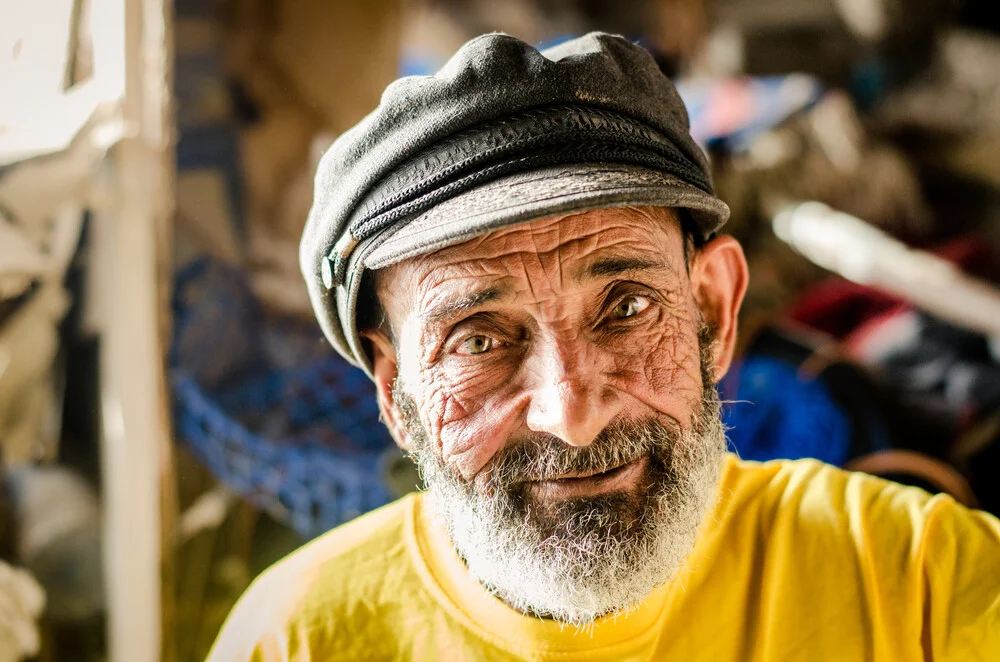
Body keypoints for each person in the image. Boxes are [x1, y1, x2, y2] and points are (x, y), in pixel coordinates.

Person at [208, 33, 1000, 661]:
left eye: (624, 307)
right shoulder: (296, 641)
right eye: (478, 339)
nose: (573, 413)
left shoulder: (911, 581)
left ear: (715, 312)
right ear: (395, 392)